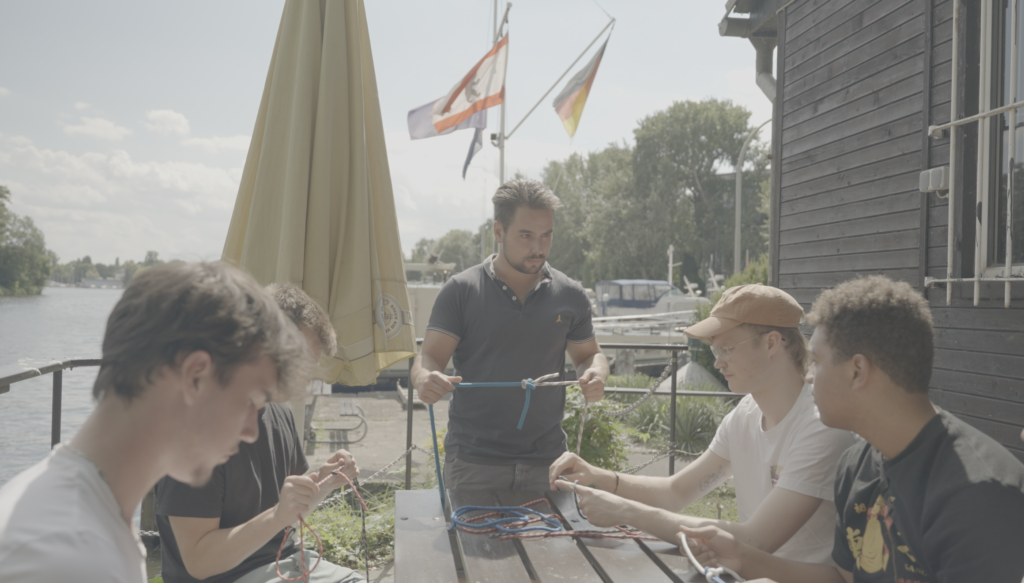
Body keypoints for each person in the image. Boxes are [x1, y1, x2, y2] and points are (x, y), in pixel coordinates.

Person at [679, 275, 1024, 583]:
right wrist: (744, 559)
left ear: (857, 371)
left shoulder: (981, 494)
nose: (809, 376)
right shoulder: (855, 467)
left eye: (817, 362)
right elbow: (844, 579)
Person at [0, 262, 309, 583]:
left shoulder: (84, 520)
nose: (251, 432)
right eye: (250, 402)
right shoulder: (72, 558)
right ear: (196, 376)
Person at [550, 284, 856, 563]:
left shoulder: (820, 427)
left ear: (771, 343)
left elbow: (755, 540)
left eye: (727, 348)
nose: (718, 362)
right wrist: (598, 476)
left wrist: (626, 511)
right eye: (714, 349)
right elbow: (675, 492)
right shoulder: (744, 415)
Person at [155, 283, 364, 583]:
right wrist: (277, 516)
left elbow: (288, 512)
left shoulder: (280, 412)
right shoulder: (193, 428)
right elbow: (198, 562)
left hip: (286, 565)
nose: (306, 378)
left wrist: (324, 482)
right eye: (299, 362)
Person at [412, 179, 610, 491]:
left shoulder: (571, 294)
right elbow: (429, 357)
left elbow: (589, 355)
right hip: (474, 462)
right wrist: (424, 378)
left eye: (546, 235)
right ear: (499, 232)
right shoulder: (461, 290)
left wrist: (597, 372)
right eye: (526, 235)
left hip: (550, 462)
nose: (538, 247)